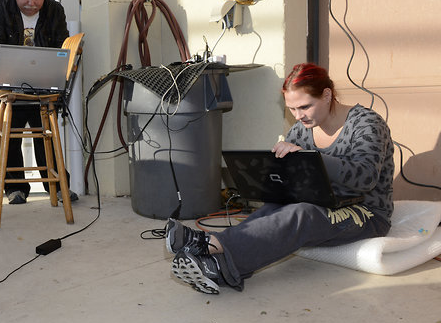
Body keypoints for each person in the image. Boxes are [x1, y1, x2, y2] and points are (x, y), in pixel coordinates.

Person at [165, 63, 395, 294]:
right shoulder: (301, 130)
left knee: (302, 214)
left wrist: (312, 158)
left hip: (366, 212)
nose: (298, 116)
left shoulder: (366, 123)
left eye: (305, 107)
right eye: (292, 109)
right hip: (321, 201)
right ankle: (216, 265)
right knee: (277, 205)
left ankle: (209, 244)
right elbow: (293, 181)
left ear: (327, 95)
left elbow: (365, 178)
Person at [0, 0, 77, 204]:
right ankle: (15, 189)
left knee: (46, 136)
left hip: (43, 86)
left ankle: (56, 187)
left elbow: (61, 46)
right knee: (10, 139)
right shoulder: (1, 8)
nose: (32, 2)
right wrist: (14, 69)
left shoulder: (55, 10)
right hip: (6, 86)